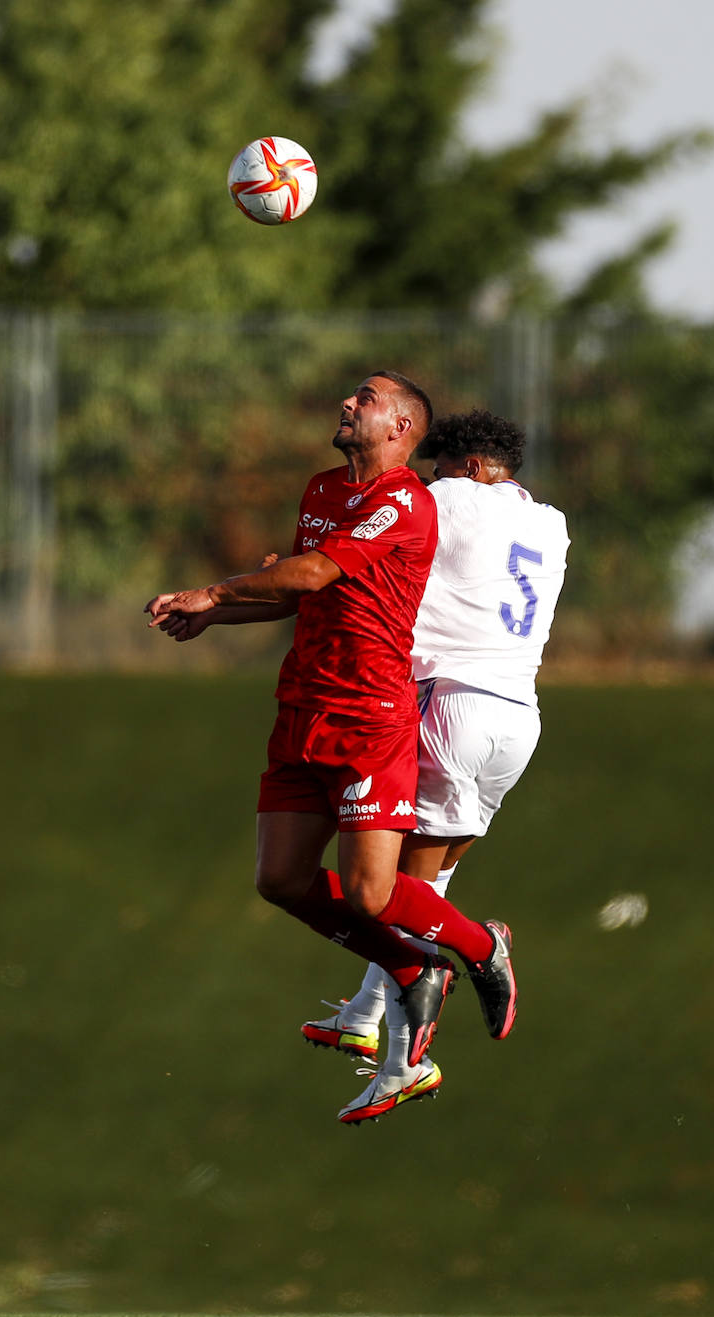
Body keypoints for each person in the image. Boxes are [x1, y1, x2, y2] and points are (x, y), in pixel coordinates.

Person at [145, 374, 517, 1090]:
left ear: (402, 428)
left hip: (369, 719)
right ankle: (412, 967)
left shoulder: (406, 501)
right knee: (280, 878)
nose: (348, 404)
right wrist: (215, 615)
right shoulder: (321, 490)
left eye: (365, 398)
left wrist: (216, 591)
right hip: (301, 710)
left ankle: (480, 946)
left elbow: (311, 573)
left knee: (370, 893)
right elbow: (297, 591)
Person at [300, 408, 570, 1124]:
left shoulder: (443, 498)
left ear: (468, 466)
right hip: (518, 716)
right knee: (431, 880)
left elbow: (374, 544)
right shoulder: (551, 520)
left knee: (389, 892)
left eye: (441, 467)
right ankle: (362, 1016)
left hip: (448, 702)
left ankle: (405, 1061)